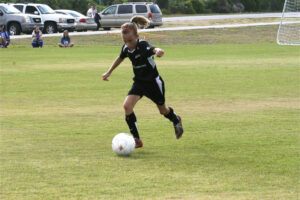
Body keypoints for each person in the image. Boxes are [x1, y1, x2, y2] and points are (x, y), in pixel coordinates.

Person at [102, 16, 184, 148]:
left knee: (163, 110)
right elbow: (120, 58)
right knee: (127, 106)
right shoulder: (126, 48)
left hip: (153, 83)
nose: (127, 44)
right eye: (125, 41)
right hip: (139, 83)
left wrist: (158, 51)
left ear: (137, 36)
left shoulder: (143, 45)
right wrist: (109, 72)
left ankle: (176, 119)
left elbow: (153, 49)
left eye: (130, 40)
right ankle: (136, 139)